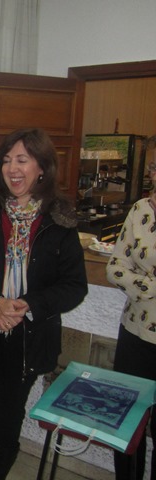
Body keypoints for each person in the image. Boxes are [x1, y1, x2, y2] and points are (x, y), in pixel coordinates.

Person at [0, 128, 88, 480]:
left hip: (28, 336)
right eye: (7, 160)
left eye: (22, 160)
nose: (12, 168)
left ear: (42, 167)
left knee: (9, 418)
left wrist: (26, 304)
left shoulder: (60, 219)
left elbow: (74, 286)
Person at [106, 152, 156, 480]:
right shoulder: (140, 210)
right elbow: (115, 268)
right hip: (136, 333)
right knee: (125, 422)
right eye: (155, 167)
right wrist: (150, 285)